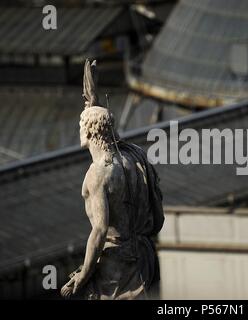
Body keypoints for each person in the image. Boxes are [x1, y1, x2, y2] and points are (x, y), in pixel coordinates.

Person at [61, 60, 164, 300]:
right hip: (143, 257)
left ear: (88, 132)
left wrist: (83, 274)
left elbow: (99, 229)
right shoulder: (134, 156)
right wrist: (93, 101)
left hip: (116, 270)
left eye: (81, 124)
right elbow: (158, 219)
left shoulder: (98, 174)